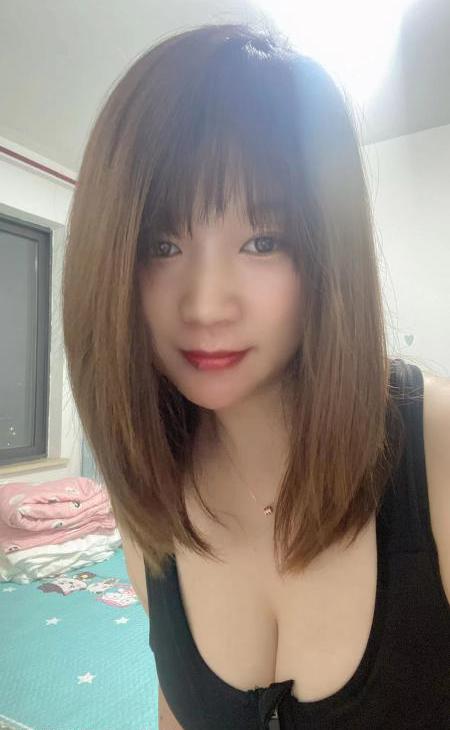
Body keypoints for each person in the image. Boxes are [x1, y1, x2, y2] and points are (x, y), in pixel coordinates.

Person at [62, 22, 450, 730]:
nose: (207, 305)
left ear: (325, 252)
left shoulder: (439, 449)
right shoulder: (149, 488)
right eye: (163, 245)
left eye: (262, 241)